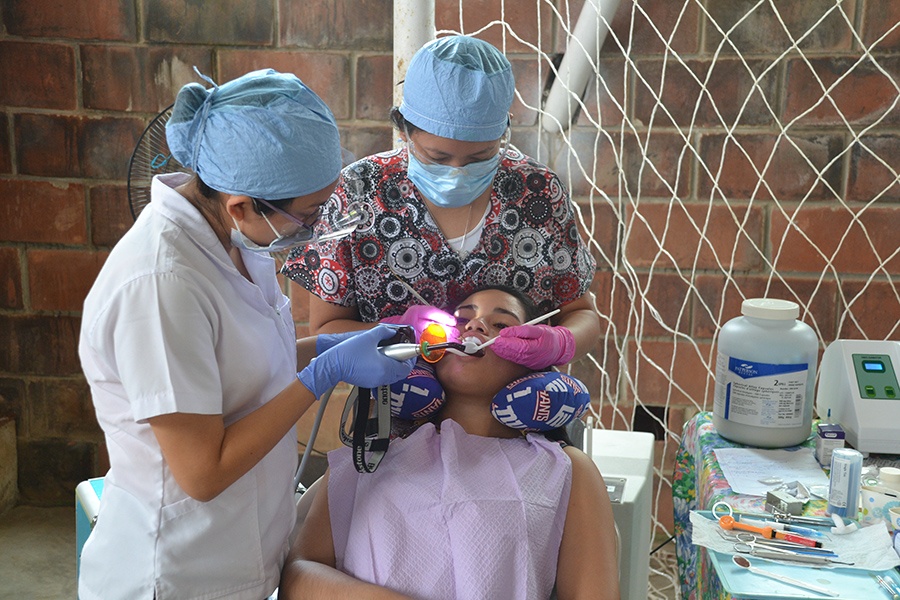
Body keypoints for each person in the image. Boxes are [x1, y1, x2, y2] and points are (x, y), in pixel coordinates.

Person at [77, 69, 414, 600]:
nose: (315, 227)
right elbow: (203, 473)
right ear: (241, 204)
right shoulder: (162, 285)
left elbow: (244, 368)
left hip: (242, 552)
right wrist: (324, 373)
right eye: (307, 216)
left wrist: (329, 348)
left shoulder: (239, 243)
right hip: (177, 574)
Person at [282, 35, 601, 372]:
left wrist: (562, 343)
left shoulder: (537, 193)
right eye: (438, 157)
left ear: (503, 134)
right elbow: (325, 331)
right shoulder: (358, 193)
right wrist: (401, 335)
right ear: (404, 130)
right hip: (397, 411)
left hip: (516, 415)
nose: (457, 172)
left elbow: (580, 312)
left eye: (480, 157)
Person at [279, 286, 620, 600]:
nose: (475, 327)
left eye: (502, 323)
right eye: (461, 320)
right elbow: (298, 574)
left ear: (533, 362)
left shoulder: (565, 470)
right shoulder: (373, 453)